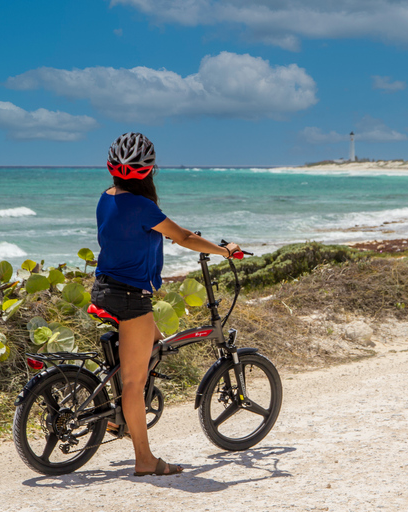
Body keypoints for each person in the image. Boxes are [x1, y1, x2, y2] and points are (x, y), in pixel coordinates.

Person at [90, 132, 240, 477]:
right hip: (130, 297)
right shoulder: (144, 206)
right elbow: (184, 237)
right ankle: (144, 459)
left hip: (104, 289)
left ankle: (116, 419)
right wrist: (223, 250)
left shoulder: (106, 197)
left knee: (153, 342)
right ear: (150, 171)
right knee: (133, 381)